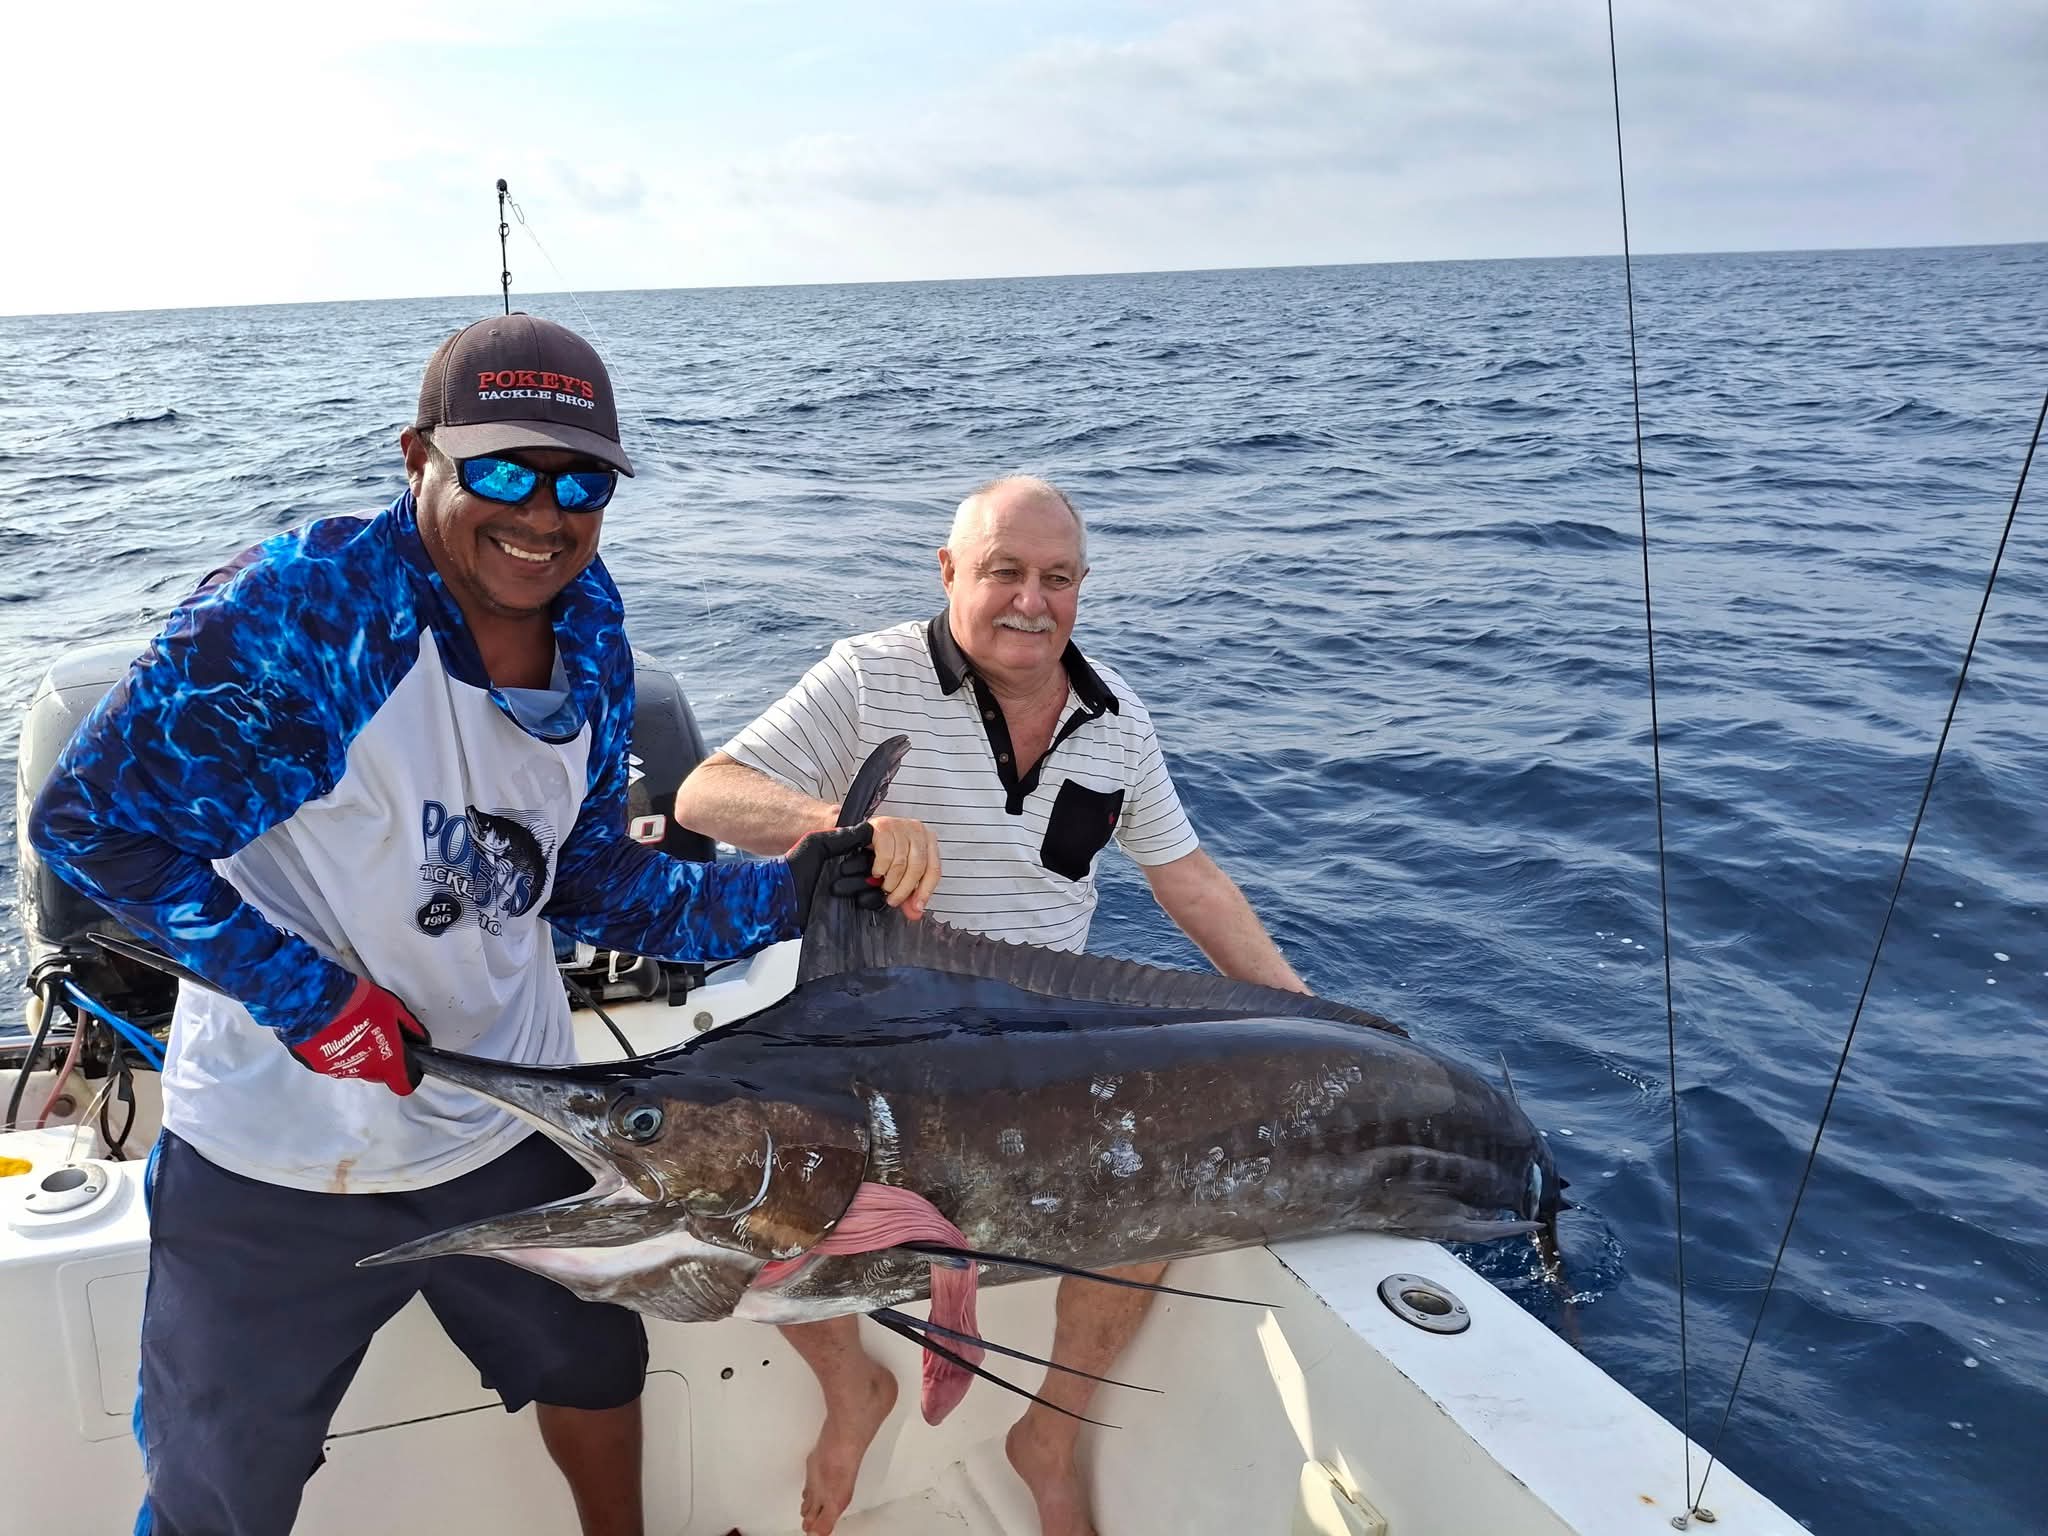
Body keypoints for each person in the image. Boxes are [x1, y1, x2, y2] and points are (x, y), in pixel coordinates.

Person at [27, 313, 875, 1536]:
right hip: (276, 1152)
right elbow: (91, 826)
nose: (543, 513)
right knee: (224, 1483)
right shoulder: (303, 616)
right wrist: (306, 998)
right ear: (418, 454)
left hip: (501, 1113)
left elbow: (581, 878)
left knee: (595, 1366)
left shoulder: (587, 622)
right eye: (501, 471)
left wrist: (797, 892)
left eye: (581, 481)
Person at [672, 473, 1307, 1536]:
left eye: (1056, 578)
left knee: (1163, 1187)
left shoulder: (1113, 718)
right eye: (1004, 571)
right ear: (949, 572)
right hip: (872, 1036)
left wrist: (1301, 1013)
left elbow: (1187, 881)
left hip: (1031, 1047)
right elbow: (704, 792)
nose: (1031, 601)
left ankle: (1045, 1434)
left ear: (1081, 587)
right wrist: (835, 822)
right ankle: (851, 1389)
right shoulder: (867, 674)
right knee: (736, 1191)